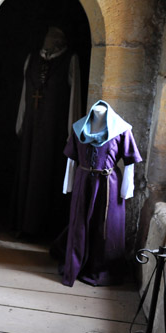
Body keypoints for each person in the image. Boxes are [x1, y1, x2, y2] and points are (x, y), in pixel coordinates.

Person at [61, 100, 142, 286]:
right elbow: (71, 159)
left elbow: (130, 162)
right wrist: (69, 185)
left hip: (109, 184)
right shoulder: (79, 127)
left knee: (105, 226)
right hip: (83, 181)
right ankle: (75, 265)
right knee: (79, 224)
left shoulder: (121, 129)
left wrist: (126, 190)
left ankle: (101, 269)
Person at [12, 26, 82, 237]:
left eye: (54, 38)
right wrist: (21, 122)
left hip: (54, 128)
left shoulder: (70, 60)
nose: (49, 40)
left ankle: (44, 229)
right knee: (28, 169)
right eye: (47, 36)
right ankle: (24, 225)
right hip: (32, 127)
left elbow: (74, 96)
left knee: (48, 173)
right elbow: (25, 92)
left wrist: (73, 131)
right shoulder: (32, 58)